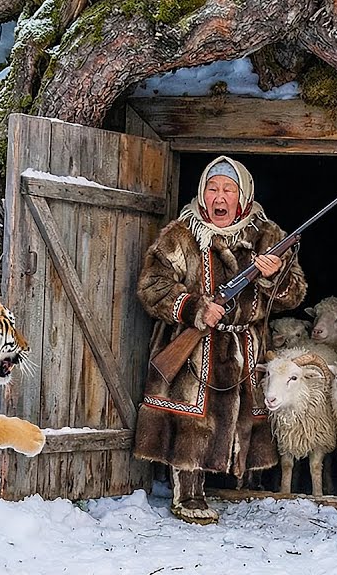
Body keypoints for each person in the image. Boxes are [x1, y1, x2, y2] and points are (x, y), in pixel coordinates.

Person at [133, 155, 307, 525]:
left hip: (244, 345)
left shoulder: (268, 236)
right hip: (193, 344)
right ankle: (188, 494)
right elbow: (152, 286)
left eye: (229, 189)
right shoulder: (179, 236)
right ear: (202, 193)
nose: (220, 196)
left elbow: (295, 296)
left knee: (243, 415)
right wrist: (195, 307)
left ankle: (246, 482)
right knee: (191, 418)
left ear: (243, 195)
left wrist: (270, 278)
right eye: (213, 188)